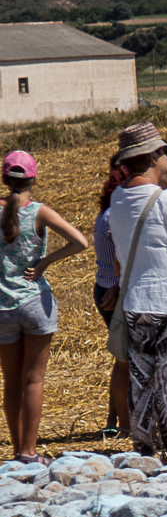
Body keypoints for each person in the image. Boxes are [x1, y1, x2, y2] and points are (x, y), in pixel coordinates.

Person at [106, 123, 167, 459]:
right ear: (151, 157)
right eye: (165, 153)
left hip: (136, 302)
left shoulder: (117, 199)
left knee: (143, 381)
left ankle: (146, 451)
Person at [0, 150, 87, 461]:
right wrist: (44, 263)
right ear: (34, 178)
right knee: (33, 379)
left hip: (2, 308)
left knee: (11, 382)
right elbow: (80, 241)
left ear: (4, 178)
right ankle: (29, 451)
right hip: (35, 301)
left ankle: (15, 449)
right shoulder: (39, 212)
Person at [93, 153, 129, 437]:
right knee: (125, 360)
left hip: (105, 286)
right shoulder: (114, 217)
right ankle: (125, 423)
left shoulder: (103, 213)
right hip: (114, 290)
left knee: (121, 356)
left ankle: (113, 419)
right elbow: (122, 258)